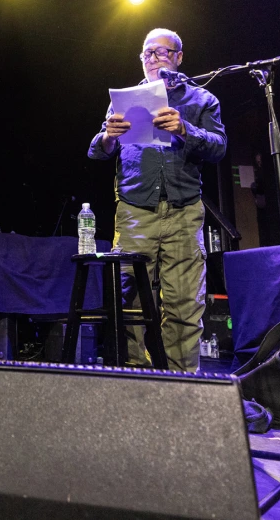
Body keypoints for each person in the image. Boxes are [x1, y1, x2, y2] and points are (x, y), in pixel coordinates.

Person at [87, 28, 227, 372]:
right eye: (147, 53)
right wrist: (108, 136)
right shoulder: (126, 98)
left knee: (183, 303)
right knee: (130, 301)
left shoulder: (201, 100)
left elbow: (219, 147)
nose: (152, 59)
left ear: (178, 57)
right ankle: (135, 377)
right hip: (136, 212)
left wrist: (185, 129)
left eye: (161, 53)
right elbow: (97, 150)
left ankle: (180, 382)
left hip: (183, 211)